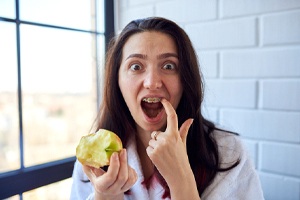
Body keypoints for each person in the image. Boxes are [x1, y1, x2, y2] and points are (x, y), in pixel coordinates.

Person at [71, 17, 264, 200]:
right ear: (117, 81)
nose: (152, 82)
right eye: (136, 66)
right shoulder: (93, 163)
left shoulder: (227, 152)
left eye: (169, 66)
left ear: (185, 79)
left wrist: (181, 181)